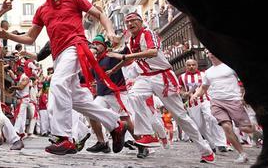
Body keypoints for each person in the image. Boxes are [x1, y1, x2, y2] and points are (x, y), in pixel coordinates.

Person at [0, 0, 127, 155]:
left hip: (76, 46)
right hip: (58, 55)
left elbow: (100, 15)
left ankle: (64, 138)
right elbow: (30, 37)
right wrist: (8, 35)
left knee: (57, 85)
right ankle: (116, 124)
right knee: (77, 99)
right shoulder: (42, 10)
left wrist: (111, 32)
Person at [108, 12, 214, 163]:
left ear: (141, 21)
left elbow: (153, 52)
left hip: (162, 76)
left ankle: (205, 150)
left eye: (133, 21)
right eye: (127, 22)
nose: (130, 24)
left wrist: (123, 57)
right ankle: (148, 135)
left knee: (180, 117)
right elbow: (132, 58)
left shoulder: (148, 33)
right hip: (145, 76)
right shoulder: (130, 40)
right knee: (134, 96)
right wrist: (114, 69)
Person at [192, 50, 253, 164]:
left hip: (234, 100)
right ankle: (242, 154)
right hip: (217, 102)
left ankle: (260, 133)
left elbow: (244, 80)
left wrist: (245, 94)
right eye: (210, 52)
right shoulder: (208, 72)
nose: (212, 54)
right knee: (226, 127)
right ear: (208, 55)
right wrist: (195, 95)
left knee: (247, 129)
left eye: (214, 51)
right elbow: (203, 88)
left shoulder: (230, 66)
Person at [178, 58, 228, 153]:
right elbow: (180, 89)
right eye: (189, 65)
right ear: (186, 66)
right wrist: (184, 93)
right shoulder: (182, 77)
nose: (191, 67)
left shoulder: (204, 74)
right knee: (200, 126)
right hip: (192, 103)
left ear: (197, 65)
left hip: (206, 100)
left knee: (212, 118)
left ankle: (221, 144)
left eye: (193, 64)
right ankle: (211, 144)